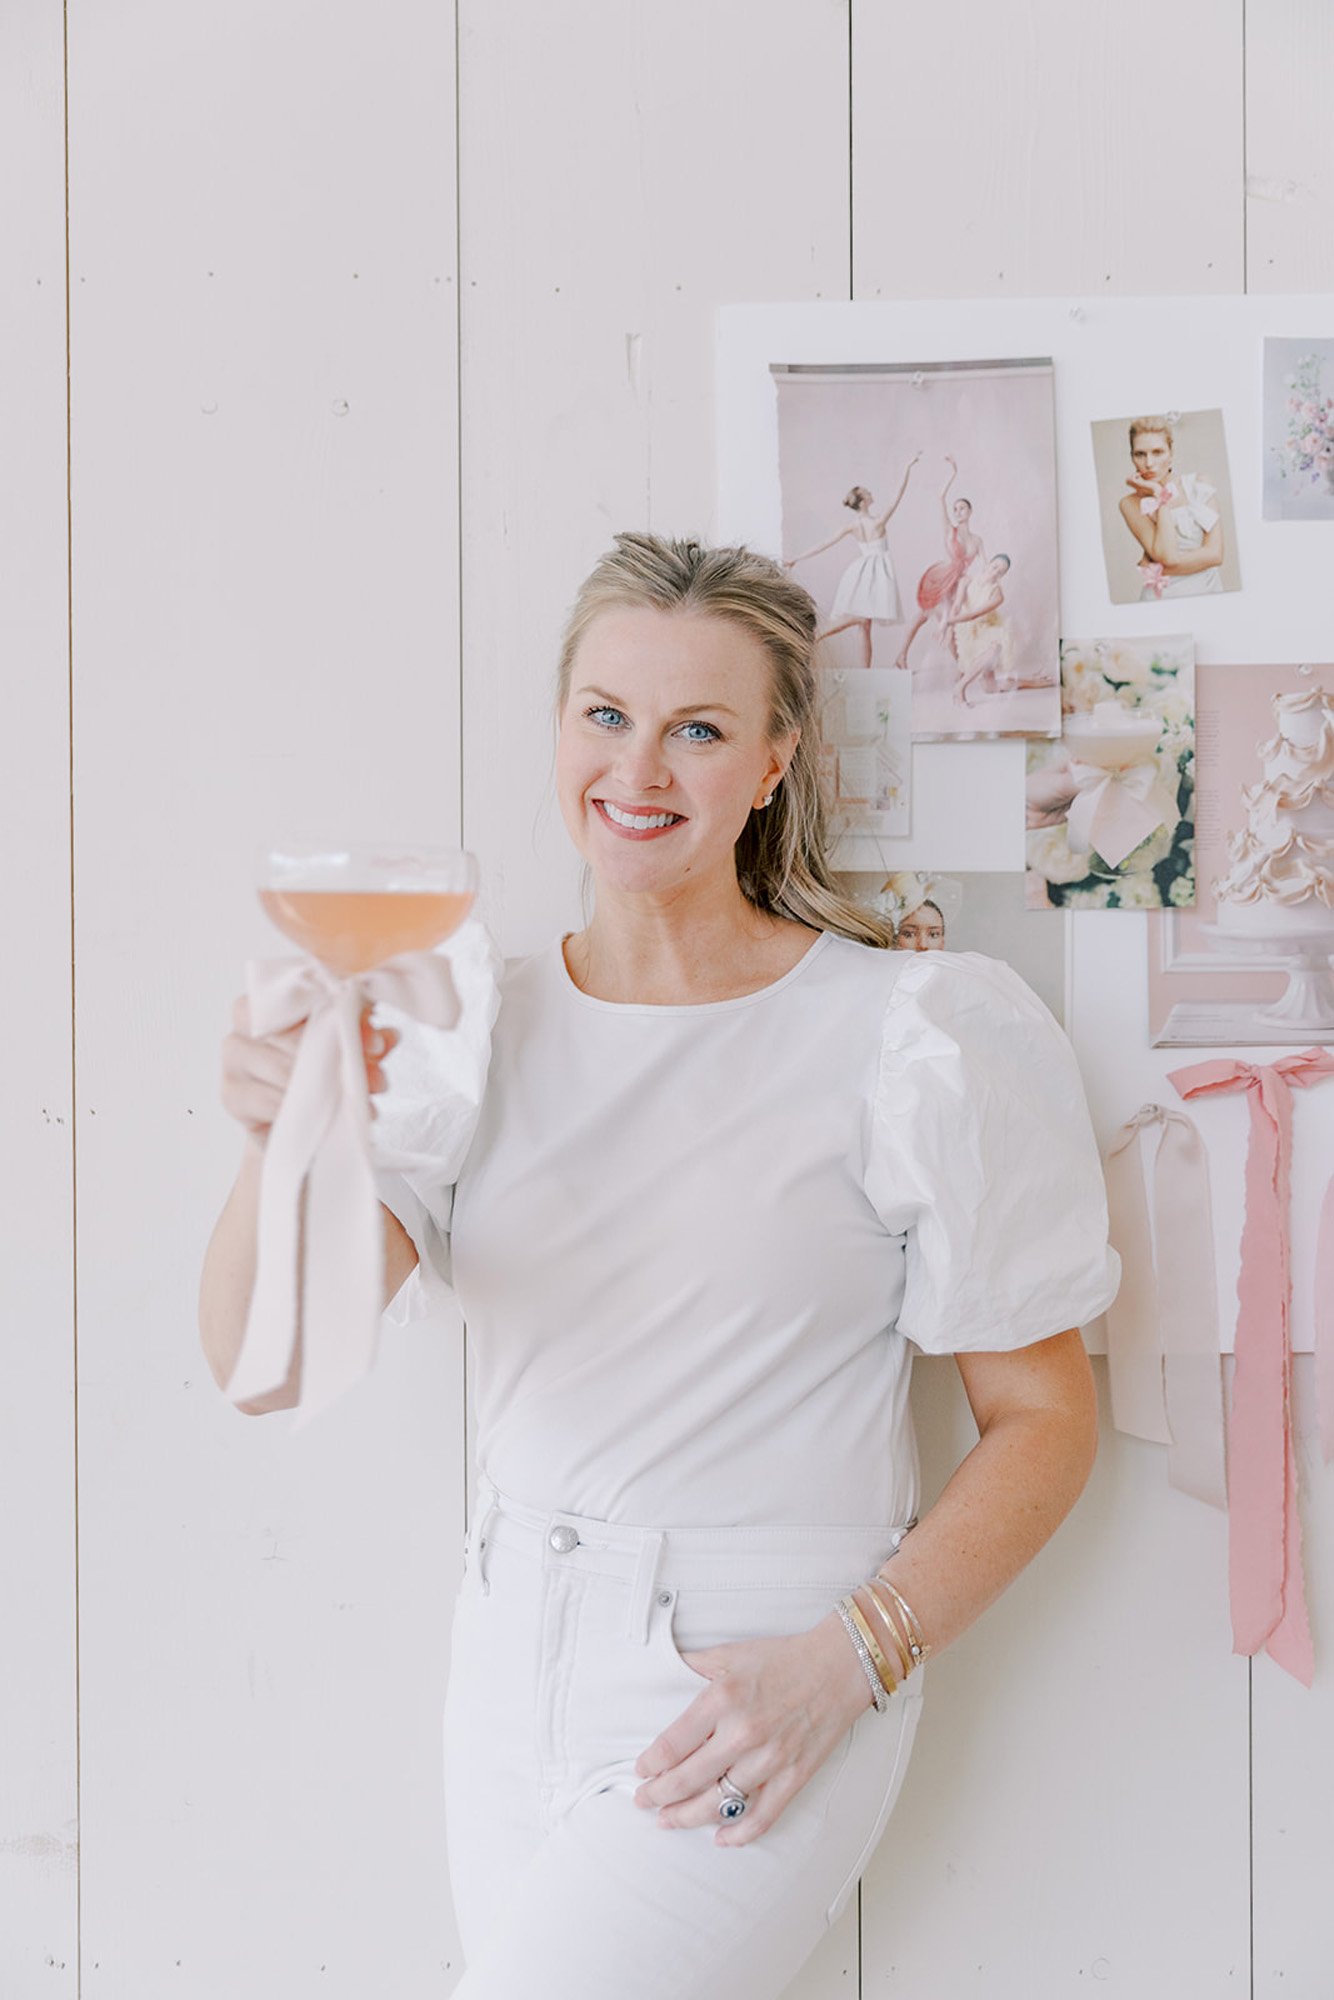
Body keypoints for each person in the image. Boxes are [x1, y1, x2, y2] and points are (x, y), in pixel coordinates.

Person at [200, 534, 1120, 2000]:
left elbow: (1045, 1418)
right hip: (506, 1658)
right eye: (606, 715)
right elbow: (269, 1366)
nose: (638, 768)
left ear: (772, 762)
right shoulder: (465, 1025)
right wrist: (282, 1136)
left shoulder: (907, 1032)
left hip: (755, 1670)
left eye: (697, 728)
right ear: (559, 728)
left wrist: (852, 1658)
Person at [784, 458, 920, 668]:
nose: (871, 494)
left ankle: (866, 671)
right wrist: (907, 468)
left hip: (863, 570)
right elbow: (897, 497)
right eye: (868, 493)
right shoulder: (877, 522)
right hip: (875, 571)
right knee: (862, 618)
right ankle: (817, 635)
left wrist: (797, 558)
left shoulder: (853, 525)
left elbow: (825, 543)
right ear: (863, 501)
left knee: (865, 625)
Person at [1116, 416, 1224, 599]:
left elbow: (1215, 555)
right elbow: (1168, 557)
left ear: (1171, 453)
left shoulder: (1199, 484)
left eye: (1157, 452)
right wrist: (1159, 493)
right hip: (1161, 598)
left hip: (1208, 591)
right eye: (1140, 454)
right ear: (1132, 457)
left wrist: (1159, 567)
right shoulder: (1130, 503)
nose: (1149, 463)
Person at [896, 457, 984, 670]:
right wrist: (953, 473)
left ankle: (903, 656)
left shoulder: (977, 540)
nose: (958, 512)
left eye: (962, 508)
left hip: (957, 583)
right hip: (940, 579)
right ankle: (960, 667)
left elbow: (986, 564)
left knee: (933, 618)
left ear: (970, 511)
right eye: (956, 509)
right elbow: (940, 496)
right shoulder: (949, 530)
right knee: (938, 619)